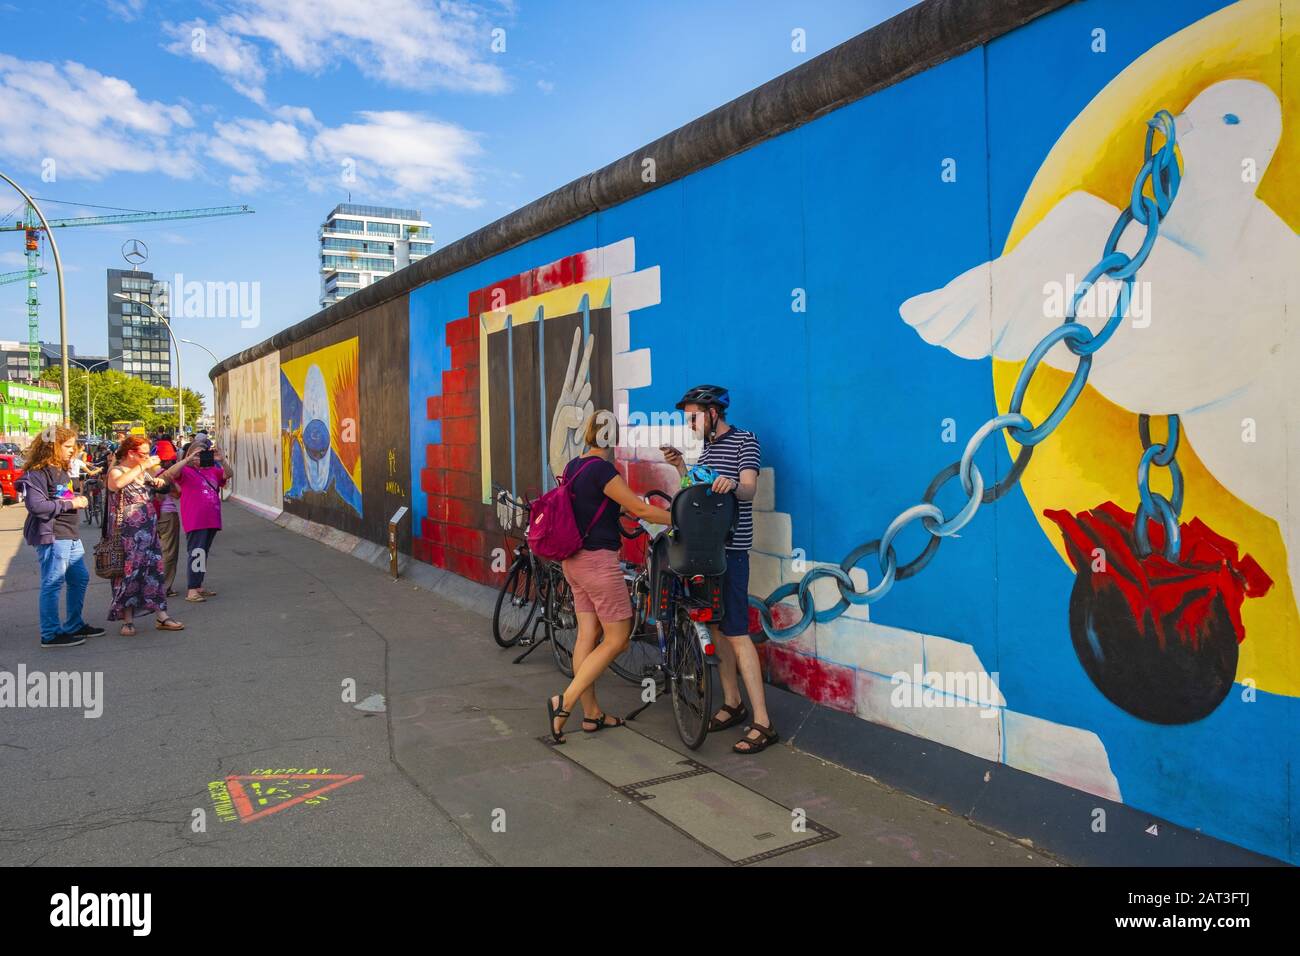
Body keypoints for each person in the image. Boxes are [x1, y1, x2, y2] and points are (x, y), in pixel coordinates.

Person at [546, 410, 673, 743]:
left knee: (587, 635)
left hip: (573, 563)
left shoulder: (574, 466)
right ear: (611, 437)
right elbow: (640, 508)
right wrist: (679, 519)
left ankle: (591, 715)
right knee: (618, 638)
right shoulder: (603, 470)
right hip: (598, 565)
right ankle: (566, 701)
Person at [661, 384, 773, 754]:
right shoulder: (707, 449)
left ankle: (763, 722)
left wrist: (732, 485)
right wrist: (681, 467)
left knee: (738, 632)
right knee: (717, 629)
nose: (689, 423)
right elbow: (698, 490)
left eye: (692, 416)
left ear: (712, 414)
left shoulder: (745, 441)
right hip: (705, 551)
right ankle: (732, 702)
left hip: (731, 553)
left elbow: (749, 490)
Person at [22, 424, 105, 648]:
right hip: (53, 534)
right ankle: (50, 634)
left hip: (70, 533)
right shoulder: (37, 473)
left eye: (74, 445)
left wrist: (77, 498)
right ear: (52, 447)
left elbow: (61, 496)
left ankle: (74, 624)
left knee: (79, 578)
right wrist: (72, 502)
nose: (73, 450)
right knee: (53, 582)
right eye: (67, 446)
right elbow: (37, 506)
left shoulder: (61, 469)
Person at [104, 435, 185, 635]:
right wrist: (143, 466)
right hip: (126, 533)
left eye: (149, 453)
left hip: (149, 530)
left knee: (153, 572)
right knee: (128, 574)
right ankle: (127, 620)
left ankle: (162, 615)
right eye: (143, 454)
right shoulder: (117, 470)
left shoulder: (144, 473)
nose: (147, 457)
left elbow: (171, 492)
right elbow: (116, 485)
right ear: (131, 453)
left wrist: (160, 482)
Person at [169, 438, 231, 603]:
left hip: (212, 518)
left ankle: (198, 586)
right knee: (196, 553)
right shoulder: (186, 471)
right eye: (197, 454)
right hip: (196, 519)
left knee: (203, 553)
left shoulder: (213, 470)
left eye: (203, 453)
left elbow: (228, 475)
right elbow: (171, 473)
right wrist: (187, 460)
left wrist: (222, 460)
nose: (200, 457)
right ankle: (192, 590)